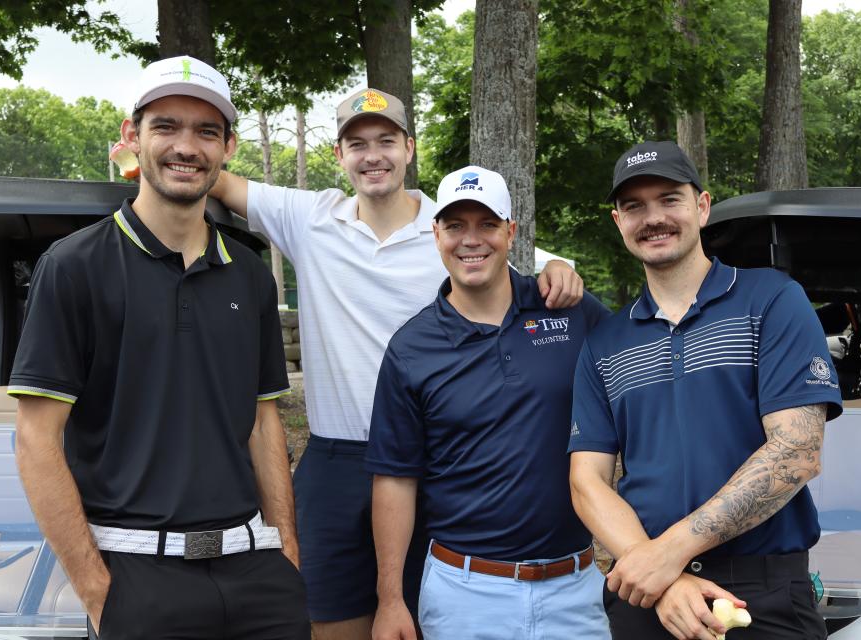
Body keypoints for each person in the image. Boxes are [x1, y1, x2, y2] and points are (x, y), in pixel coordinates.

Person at [209, 89, 583, 640]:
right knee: (329, 620)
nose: (372, 156)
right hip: (335, 457)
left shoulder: (451, 226)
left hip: (434, 461)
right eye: (357, 144)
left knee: (420, 616)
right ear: (338, 155)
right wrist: (132, 155)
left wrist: (562, 267)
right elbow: (212, 177)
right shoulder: (309, 217)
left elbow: (522, 264)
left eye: (386, 141)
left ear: (409, 149)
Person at [9, 55, 309, 640]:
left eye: (206, 131)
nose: (186, 146)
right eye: (166, 126)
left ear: (228, 149)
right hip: (136, 576)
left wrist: (286, 552)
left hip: (257, 576)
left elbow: (262, 422)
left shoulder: (249, 274)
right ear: (132, 136)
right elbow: (35, 440)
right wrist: (97, 590)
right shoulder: (73, 267)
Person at [568, 141, 843, 640]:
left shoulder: (772, 300)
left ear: (702, 205)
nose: (653, 218)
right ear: (618, 221)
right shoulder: (604, 342)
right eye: (634, 207)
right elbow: (587, 482)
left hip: (762, 593)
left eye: (669, 199)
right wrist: (661, 575)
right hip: (648, 598)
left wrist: (668, 554)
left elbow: (797, 451)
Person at [365, 165, 612, 640]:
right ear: (436, 233)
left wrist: (563, 267)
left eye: (488, 224)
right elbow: (395, 479)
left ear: (511, 232)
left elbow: (642, 379)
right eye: (455, 225)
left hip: (575, 588)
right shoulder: (411, 348)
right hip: (464, 594)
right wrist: (391, 599)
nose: (470, 240)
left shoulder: (567, 310)